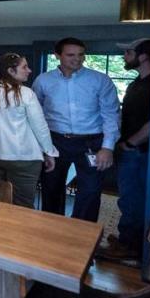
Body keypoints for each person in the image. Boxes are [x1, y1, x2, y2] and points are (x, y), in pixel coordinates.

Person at [32, 37, 119, 221]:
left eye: (81, 55)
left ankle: (82, 236)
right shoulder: (43, 81)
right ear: (57, 55)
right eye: (70, 55)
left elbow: (111, 114)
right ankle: (52, 229)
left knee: (90, 191)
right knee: (51, 187)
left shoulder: (100, 80)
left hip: (92, 142)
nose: (77, 59)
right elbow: (35, 114)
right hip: (55, 141)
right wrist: (41, 146)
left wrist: (107, 147)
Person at [0, 53, 57, 209]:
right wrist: (49, 151)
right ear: (11, 71)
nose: (29, 70)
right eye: (24, 67)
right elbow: (40, 127)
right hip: (22, 157)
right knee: (22, 204)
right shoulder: (26, 93)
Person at [101, 38, 150, 261]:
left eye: (129, 52)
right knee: (128, 197)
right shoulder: (137, 83)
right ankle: (127, 240)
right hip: (131, 150)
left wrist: (131, 143)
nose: (125, 56)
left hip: (140, 152)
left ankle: (131, 248)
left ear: (143, 56)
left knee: (133, 199)